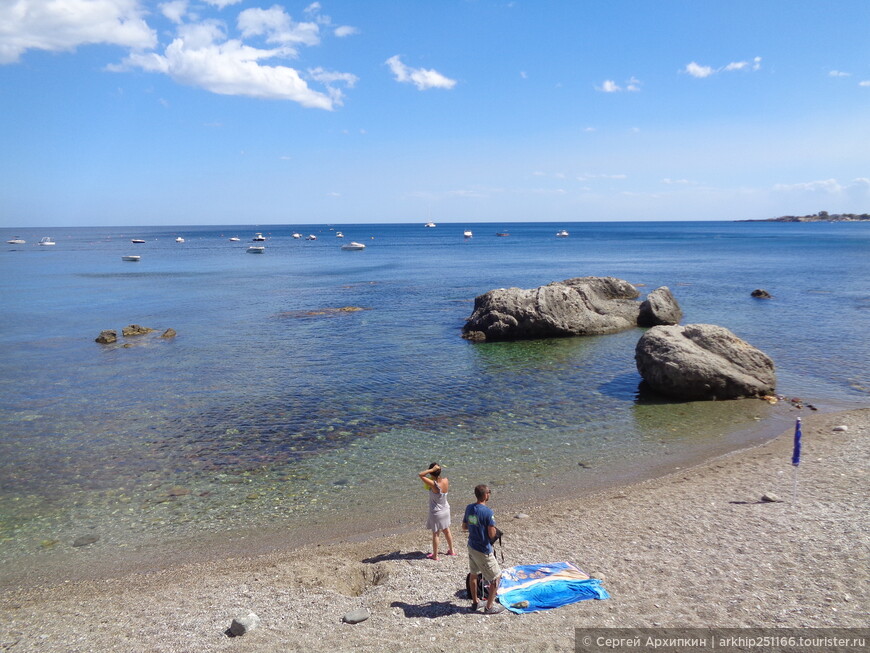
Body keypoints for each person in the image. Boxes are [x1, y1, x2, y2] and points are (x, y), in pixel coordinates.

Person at [462, 484, 505, 614]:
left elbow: (464, 526)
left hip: (472, 545)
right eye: (489, 492)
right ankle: (489, 607)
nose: (489, 494)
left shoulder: (469, 508)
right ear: (486, 495)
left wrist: (476, 528)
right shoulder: (488, 512)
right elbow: (491, 534)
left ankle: (475, 602)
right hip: (483, 549)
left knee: (473, 574)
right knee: (496, 577)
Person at [418, 463, 455, 560]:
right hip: (446, 509)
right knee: (447, 531)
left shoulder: (434, 484)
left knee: (435, 533)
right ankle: (452, 551)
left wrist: (430, 470)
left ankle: (435, 555)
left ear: (432, 473)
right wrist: (435, 470)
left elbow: (421, 474)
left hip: (436, 512)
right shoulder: (446, 480)